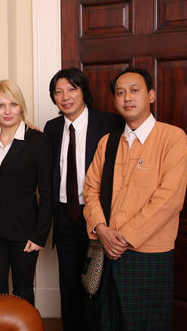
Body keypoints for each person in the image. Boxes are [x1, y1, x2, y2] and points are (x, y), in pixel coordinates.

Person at [83, 67, 187, 330]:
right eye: (120, 93)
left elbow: (169, 200)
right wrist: (102, 230)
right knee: (107, 322)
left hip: (149, 253)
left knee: (147, 324)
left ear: (151, 95)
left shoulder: (173, 138)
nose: (127, 97)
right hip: (107, 249)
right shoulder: (107, 142)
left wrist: (124, 237)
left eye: (134, 90)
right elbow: (90, 190)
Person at [43, 68, 124, 330]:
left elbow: (143, 134)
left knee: (100, 282)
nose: (65, 96)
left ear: (83, 92)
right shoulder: (52, 128)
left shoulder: (110, 123)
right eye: (58, 91)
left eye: (71, 89)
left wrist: (182, 142)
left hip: (98, 215)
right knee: (69, 283)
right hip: (66, 215)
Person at [0, 79, 52, 305]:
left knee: (23, 291)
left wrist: (40, 235)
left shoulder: (38, 141)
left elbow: (47, 191)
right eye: (1, 105)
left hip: (24, 232)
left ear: (21, 106)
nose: (7, 111)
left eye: (13, 104)